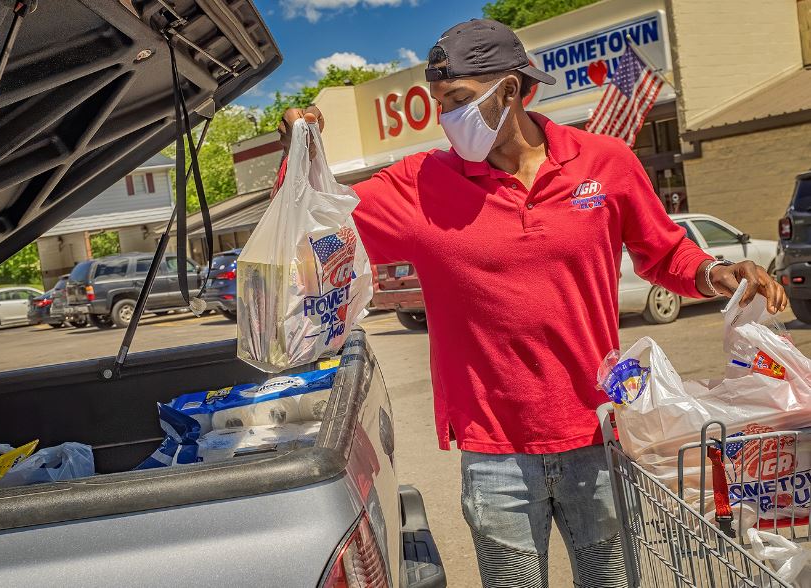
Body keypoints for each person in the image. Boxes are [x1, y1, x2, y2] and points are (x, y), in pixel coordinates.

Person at [274, 19, 787, 587]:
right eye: (439, 102)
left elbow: (665, 255)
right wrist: (300, 150)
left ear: (513, 91)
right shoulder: (421, 184)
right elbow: (314, 223)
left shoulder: (604, 162)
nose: (446, 117)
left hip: (599, 434)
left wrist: (716, 272)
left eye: (460, 100)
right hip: (495, 453)